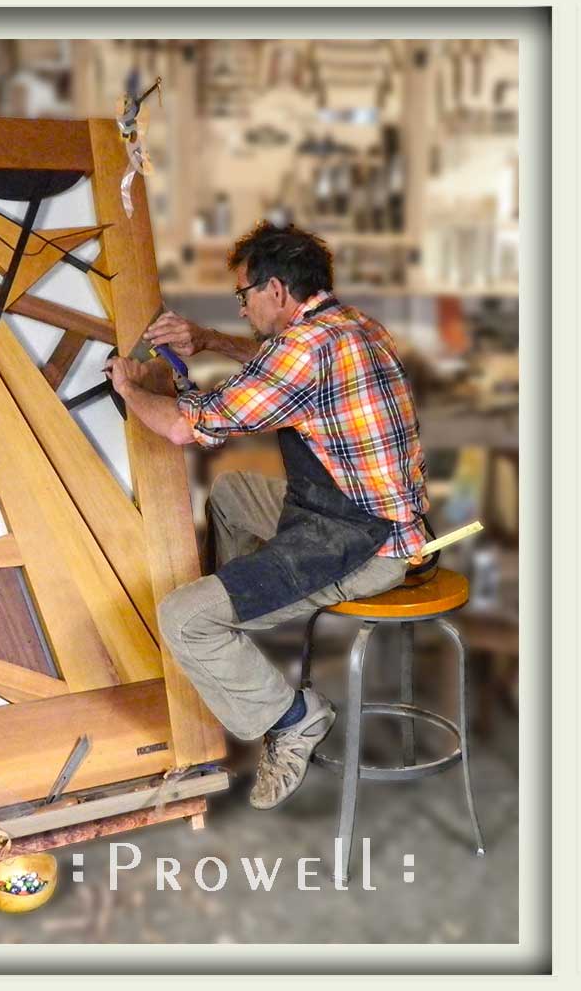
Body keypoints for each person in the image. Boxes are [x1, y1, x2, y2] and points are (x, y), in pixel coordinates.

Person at [104, 221, 430, 810]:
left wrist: (131, 390)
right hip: (359, 515)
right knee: (231, 494)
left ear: (275, 291)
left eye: (244, 296)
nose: (244, 307)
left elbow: (185, 424)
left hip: (364, 547)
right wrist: (206, 339)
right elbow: (274, 368)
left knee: (183, 618)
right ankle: (244, 640)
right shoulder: (352, 326)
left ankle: (294, 715)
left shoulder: (302, 350)